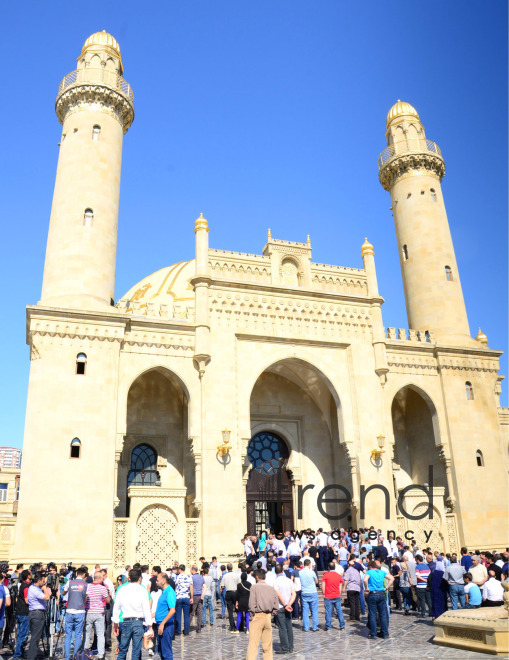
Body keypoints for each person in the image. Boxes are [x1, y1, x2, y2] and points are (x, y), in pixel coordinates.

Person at [112, 568, 153, 660]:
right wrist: (150, 626)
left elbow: (116, 608)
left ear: (129, 578)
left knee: (122, 650)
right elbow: (146, 609)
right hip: (138, 622)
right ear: (140, 578)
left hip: (126, 622)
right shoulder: (142, 590)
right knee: (136, 652)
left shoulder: (122, 589)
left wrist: (115, 624)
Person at [246, 569, 279, 660]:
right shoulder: (271, 588)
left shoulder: (254, 587)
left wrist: (251, 616)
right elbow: (276, 605)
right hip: (268, 617)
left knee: (253, 644)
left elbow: (252, 604)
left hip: (257, 616)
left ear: (257, 577)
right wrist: (271, 616)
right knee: (267, 645)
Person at [83, 570, 110, 660]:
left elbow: (85, 598)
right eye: (102, 578)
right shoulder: (102, 588)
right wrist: (108, 594)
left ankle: (85, 651)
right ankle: (101, 654)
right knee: (100, 634)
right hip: (99, 613)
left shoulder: (87, 587)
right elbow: (107, 601)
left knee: (87, 633)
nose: (103, 580)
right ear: (98, 579)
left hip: (89, 612)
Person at [63, 566, 88, 660]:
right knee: (78, 635)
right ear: (84, 574)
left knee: (68, 635)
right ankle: (76, 657)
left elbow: (64, 593)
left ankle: (67, 657)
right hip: (80, 611)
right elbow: (85, 598)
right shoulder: (86, 584)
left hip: (69, 610)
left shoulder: (70, 582)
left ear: (76, 573)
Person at [364, 560, 394, 640]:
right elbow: (392, 578)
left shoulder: (369, 572)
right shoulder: (382, 572)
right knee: (383, 614)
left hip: (372, 593)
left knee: (373, 615)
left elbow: (365, 580)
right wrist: (386, 587)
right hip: (381, 593)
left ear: (371, 566)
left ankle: (373, 634)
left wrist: (366, 588)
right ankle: (385, 633)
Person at [27, 572, 51, 660]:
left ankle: (32, 655)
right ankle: (31, 657)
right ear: (39, 581)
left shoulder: (32, 587)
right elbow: (47, 597)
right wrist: (45, 589)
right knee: (35, 638)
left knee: (35, 637)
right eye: (43, 581)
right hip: (37, 614)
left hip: (35, 613)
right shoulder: (35, 590)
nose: (44, 583)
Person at [274, 564, 295, 653]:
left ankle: (285, 647)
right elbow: (293, 594)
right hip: (288, 606)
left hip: (281, 606)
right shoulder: (289, 580)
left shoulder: (276, 581)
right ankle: (290, 647)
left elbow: (278, 594)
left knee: (282, 627)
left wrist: (285, 605)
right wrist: (289, 604)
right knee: (289, 626)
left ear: (275, 572)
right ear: (283, 570)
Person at [154, 573, 176, 660]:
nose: (156, 582)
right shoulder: (164, 592)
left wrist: (162, 624)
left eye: (157, 580)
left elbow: (172, 610)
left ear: (163, 581)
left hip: (166, 626)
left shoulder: (169, 592)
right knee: (161, 651)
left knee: (166, 653)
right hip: (161, 625)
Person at [13, 569, 31, 660]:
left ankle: (19, 652)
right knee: (23, 635)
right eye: (30, 573)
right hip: (24, 613)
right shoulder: (26, 587)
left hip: (20, 612)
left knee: (21, 634)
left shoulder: (22, 585)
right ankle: (18, 654)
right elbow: (27, 600)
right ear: (28, 576)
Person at [321, 562, 345, 631]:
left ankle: (328, 625)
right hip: (337, 595)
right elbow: (340, 586)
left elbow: (323, 585)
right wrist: (339, 593)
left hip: (328, 595)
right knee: (339, 610)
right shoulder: (339, 576)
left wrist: (323, 592)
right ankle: (342, 625)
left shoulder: (325, 575)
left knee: (328, 611)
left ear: (328, 567)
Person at [300, 558, 319, 632]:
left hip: (304, 592)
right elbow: (316, 581)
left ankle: (306, 627)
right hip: (312, 591)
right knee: (314, 610)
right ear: (309, 564)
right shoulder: (312, 572)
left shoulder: (300, 572)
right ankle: (314, 627)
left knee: (305, 610)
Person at [174, 565, 193, 636]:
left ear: (180, 569)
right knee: (186, 616)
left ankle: (178, 631)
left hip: (178, 598)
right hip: (186, 597)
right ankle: (186, 631)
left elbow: (175, 587)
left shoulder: (177, 577)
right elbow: (191, 588)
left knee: (178, 615)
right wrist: (192, 598)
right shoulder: (189, 577)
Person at [220, 563, 240, 633]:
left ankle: (232, 627)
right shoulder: (236, 575)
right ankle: (239, 625)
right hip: (235, 592)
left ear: (227, 568)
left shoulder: (225, 576)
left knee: (230, 611)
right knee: (238, 610)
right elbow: (239, 584)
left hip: (228, 592)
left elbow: (222, 586)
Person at [189, 565, 204, 633]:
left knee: (191, 612)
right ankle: (199, 628)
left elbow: (190, 587)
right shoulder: (201, 577)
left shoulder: (192, 578)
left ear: (192, 570)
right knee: (199, 612)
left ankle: (187, 626)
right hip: (200, 595)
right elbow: (204, 586)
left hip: (194, 595)